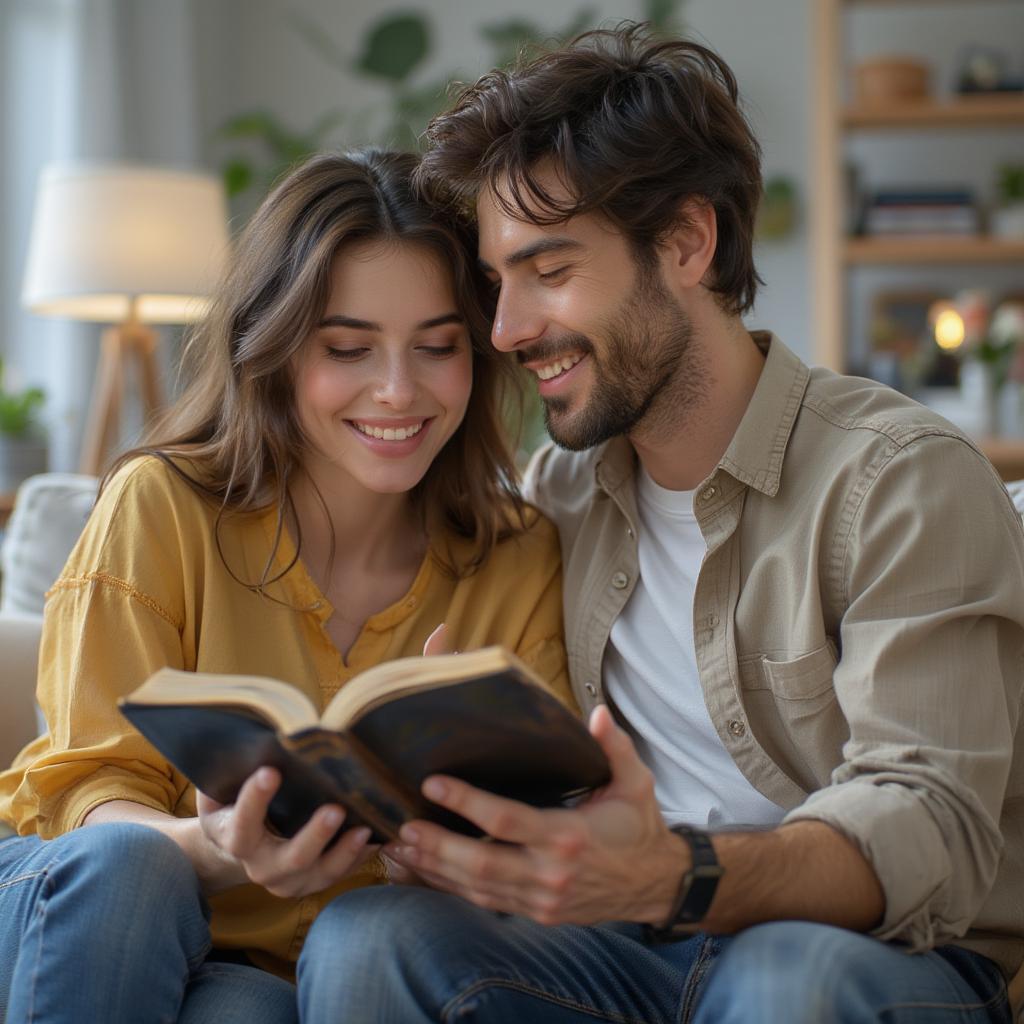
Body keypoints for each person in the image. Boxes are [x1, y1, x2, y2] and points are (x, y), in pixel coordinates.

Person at [298, 25, 1024, 1024]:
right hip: (630, 948)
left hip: (877, 958)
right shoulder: (558, 496)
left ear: (686, 242)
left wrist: (666, 874)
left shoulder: (899, 481)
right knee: (366, 939)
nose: (504, 329)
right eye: (496, 281)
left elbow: (927, 821)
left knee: (788, 982)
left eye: (547, 269)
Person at [0, 149, 572, 1023]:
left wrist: (458, 854)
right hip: (115, 908)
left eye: (437, 347)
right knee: (130, 865)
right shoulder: (163, 506)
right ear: (272, 348)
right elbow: (87, 796)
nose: (397, 390)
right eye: (348, 348)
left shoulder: (517, 552)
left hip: (277, 972)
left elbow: (540, 821)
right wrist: (216, 849)